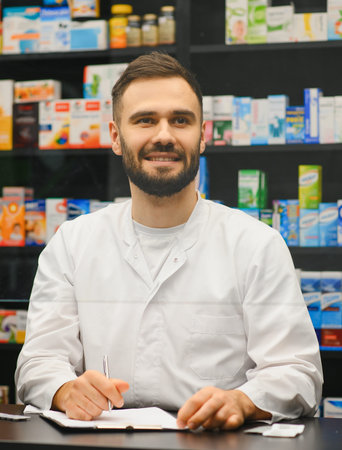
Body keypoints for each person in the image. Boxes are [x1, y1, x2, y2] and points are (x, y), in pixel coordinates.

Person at [15, 52, 323, 431]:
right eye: (145, 120)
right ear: (115, 136)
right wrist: (64, 389)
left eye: (180, 120)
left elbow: (299, 371)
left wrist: (243, 400)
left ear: (203, 136)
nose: (164, 135)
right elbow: (38, 360)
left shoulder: (256, 245)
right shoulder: (73, 244)